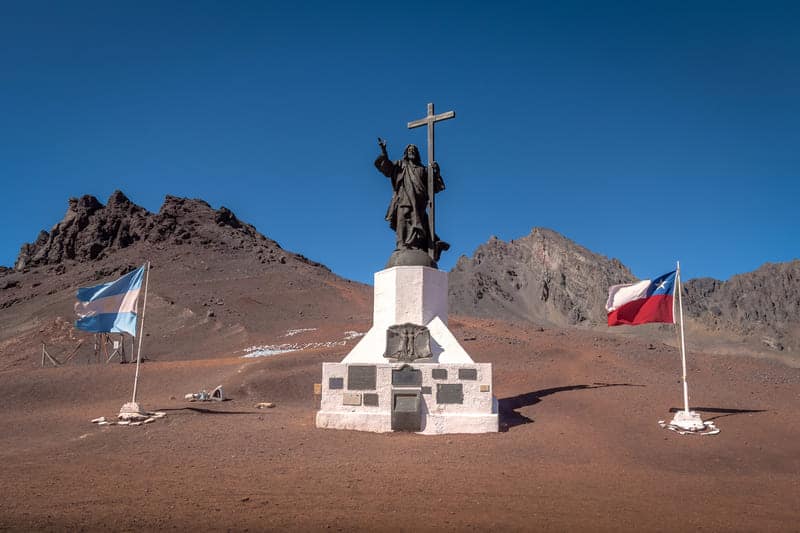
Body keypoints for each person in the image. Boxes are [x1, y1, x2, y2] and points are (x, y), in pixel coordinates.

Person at [374, 138, 449, 261]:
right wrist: (384, 150)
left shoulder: (423, 169)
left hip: (419, 203)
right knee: (402, 221)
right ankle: (401, 245)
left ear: (417, 153)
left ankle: (416, 246)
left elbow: (434, 185)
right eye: (409, 150)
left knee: (418, 224)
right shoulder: (401, 165)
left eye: (414, 150)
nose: (411, 151)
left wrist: (436, 171)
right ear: (406, 152)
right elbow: (387, 167)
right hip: (404, 199)